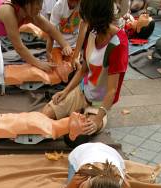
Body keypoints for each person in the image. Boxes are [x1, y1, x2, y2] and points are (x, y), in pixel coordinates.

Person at [41, 0, 129, 137]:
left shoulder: (118, 44)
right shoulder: (92, 32)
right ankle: (74, 112)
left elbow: (112, 90)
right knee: (45, 114)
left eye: (85, 17)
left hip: (98, 104)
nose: (82, 20)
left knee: (78, 132)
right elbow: (83, 69)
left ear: (94, 18)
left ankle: (87, 116)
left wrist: (98, 118)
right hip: (82, 92)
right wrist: (65, 91)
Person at [0, 0, 73, 76]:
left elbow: (50, 29)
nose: (41, 7)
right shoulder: (8, 12)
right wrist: (39, 64)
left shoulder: (32, 14)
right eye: (38, 3)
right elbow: (19, 47)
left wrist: (65, 44)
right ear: (28, 4)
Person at [46, 0, 81, 64]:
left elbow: (83, 30)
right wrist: (48, 52)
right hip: (57, 45)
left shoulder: (83, 6)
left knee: (70, 68)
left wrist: (76, 54)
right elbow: (51, 31)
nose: (74, 2)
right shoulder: (58, 6)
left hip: (73, 46)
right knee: (58, 68)